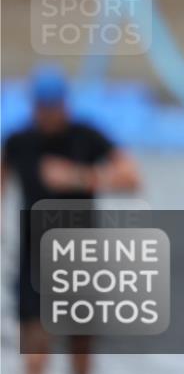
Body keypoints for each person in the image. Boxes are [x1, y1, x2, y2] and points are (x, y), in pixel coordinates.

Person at [0, 64, 142, 374]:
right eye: (42, 107)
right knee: (36, 356)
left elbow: (132, 178)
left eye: (54, 106)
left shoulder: (86, 136)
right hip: (33, 260)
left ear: (65, 103)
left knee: (81, 352)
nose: (49, 114)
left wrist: (78, 177)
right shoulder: (18, 142)